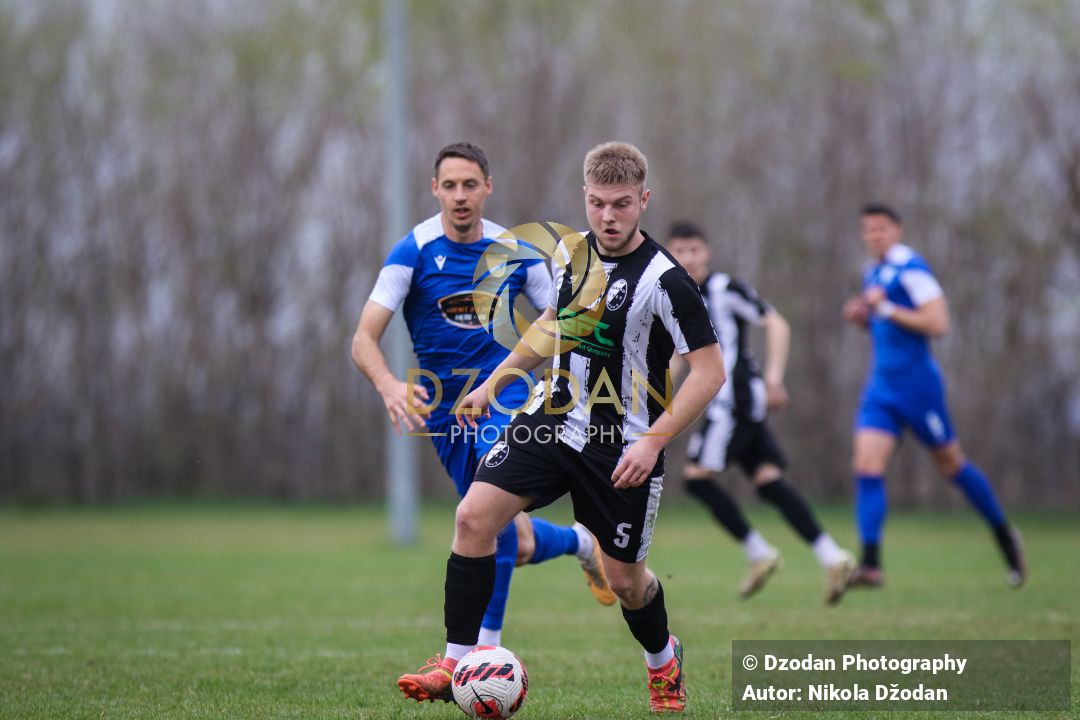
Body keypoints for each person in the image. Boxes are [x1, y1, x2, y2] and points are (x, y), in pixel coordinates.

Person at [396, 142, 725, 713]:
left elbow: (709, 371)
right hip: (551, 419)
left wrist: (653, 441)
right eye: (598, 203)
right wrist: (494, 383)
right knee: (473, 518)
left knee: (627, 583)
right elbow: (552, 322)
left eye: (621, 204)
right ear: (585, 198)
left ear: (643, 200)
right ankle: (454, 660)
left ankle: (662, 659)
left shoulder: (667, 281)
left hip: (621, 445)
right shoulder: (571, 255)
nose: (608, 217)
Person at [351, 142, 616, 651]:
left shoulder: (515, 251)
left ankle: (481, 654)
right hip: (447, 416)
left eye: (470, 184)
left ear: (488, 188)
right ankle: (583, 543)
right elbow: (363, 339)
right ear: (435, 190)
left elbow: (564, 322)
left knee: (486, 523)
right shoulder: (414, 251)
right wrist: (389, 385)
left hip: (506, 397)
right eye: (449, 185)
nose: (460, 196)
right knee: (509, 538)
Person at [666, 222, 855, 604]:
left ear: (708, 252)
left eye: (694, 250)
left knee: (696, 480)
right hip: (736, 402)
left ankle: (759, 553)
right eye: (680, 251)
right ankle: (832, 557)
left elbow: (776, 322)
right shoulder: (678, 298)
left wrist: (773, 379)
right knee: (770, 482)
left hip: (733, 400)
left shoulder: (723, 289)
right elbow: (678, 359)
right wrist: (655, 396)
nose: (688, 258)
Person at [842, 203, 1026, 588]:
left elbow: (938, 323)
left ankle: (1004, 534)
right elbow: (886, 327)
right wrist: (865, 317)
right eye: (867, 230)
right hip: (881, 389)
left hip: (917, 387)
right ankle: (871, 563)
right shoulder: (872, 271)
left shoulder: (913, 269)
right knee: (866, 467)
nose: (874, 236)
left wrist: (887, 308)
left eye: (881, 229)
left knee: (951, 465)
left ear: (898, 230)